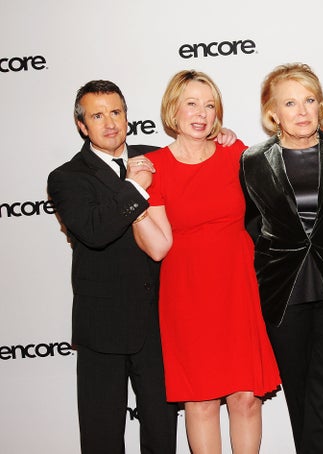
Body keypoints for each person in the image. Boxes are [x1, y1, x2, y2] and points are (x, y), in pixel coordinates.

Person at [131, 70, 281, 454]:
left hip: (238, 286)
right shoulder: (152, 166)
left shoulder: (236, 153)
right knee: (200, 401)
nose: (201, 113)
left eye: (209, 105)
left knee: (246, 397)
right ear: (173, 110)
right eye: (192, 103)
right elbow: (158, 247)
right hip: (188, 293)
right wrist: (133, 193)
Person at [47, 79, 178, 454]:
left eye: (116, 112)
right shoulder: (67, 177)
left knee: (162, 434)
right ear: (81, 126)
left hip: (158, 324)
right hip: (102, 328)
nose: (110, 123)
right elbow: (95, 231)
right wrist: (136, 186)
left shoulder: (156, 157)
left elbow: (199, 166)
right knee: (102, 436)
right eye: (98, 115)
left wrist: (221, 139)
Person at [240, 63, 323, 454]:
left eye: (310, 100)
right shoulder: (251, 161)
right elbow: (248, 225)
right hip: (283, 294)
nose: (302, 110)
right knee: (300, 397)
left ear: (322, 105)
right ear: (272, 113)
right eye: (290, 103)